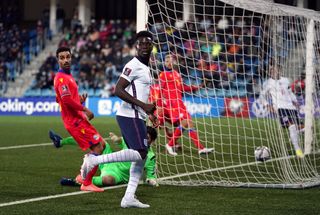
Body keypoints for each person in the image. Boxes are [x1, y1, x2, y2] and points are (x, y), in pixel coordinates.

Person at [81, 31, 158, 208]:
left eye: (148, 43)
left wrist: (149, 113)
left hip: (137, 114)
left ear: (152, 45)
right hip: (128, 114)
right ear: (136, 46)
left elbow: (138, 93)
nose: (145, 46)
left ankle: (129, 197)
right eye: (141, 44)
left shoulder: (146, 67)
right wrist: (144, 106)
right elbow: (118, 90)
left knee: (140, 158)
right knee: (140, 152)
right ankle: (94, 160)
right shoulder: (133, 65)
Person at [54, 47, 145, 194]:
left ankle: (84, 178)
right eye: (62, 58)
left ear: (71, 57)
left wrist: (79, 102)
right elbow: (65, 100)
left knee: (101, 144)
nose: (65, 60)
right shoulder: (61, 78)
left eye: (67, 57)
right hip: (75, 121)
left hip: (78, 119)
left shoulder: (68, 76)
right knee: (97, 148)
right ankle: (86, 182)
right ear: (58, 60)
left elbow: (62, 98)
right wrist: (84, 109)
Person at [49, 126, 158, 187]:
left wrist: (151, 180)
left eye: (147, 138)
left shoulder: (150, 156)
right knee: (96, 140)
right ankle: (60, 142)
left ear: (152, 141)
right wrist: (117, 139)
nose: (143, 139)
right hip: (110, 159)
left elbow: (150, 176)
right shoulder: (132, 140)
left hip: (118, 174)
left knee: (108, 180)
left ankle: (78, 181)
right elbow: (122, 141)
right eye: (143, 136)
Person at [158, 54, 214, 156]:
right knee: (186, 122)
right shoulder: (163, 75)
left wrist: (197, 87)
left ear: (174, 62)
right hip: (172, 104)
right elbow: (160, 91)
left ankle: (200, 148)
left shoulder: (177, 74)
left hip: (180, 103)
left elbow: (182, 88)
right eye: (167, 61)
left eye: (171, 61)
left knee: (189, 124)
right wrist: (159, 105)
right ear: (164, 63)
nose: (169, 63)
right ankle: (171, 144)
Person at [259, 65, 304, 158]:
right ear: (270, 73)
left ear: (280, 71)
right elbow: (262, 96)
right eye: (272, 71)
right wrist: (267, 105)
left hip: (291, 107)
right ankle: (298, 150)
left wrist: (295, 101)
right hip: (280, 108)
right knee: (291, 126)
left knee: (303, 128)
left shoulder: (286, 80)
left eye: (276, 70)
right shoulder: (268, 83)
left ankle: (294, 135)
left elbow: (290, 92)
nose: (274, 72)